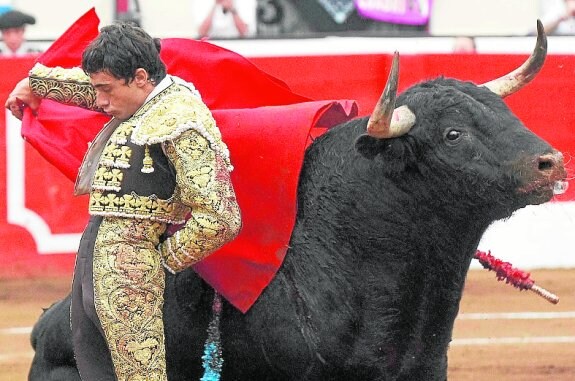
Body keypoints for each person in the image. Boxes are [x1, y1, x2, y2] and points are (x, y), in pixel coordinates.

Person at [6, 22, 241, 380]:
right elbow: (91, 87)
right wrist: (34, 84)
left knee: (139, 374)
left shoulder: (182, 119)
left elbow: (221, 216)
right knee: (97, 367)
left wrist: (155, 259)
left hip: (134, 269)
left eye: (106, 90)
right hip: (95, 257)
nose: (99, 101)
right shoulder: (138, 97)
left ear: (141, 77)